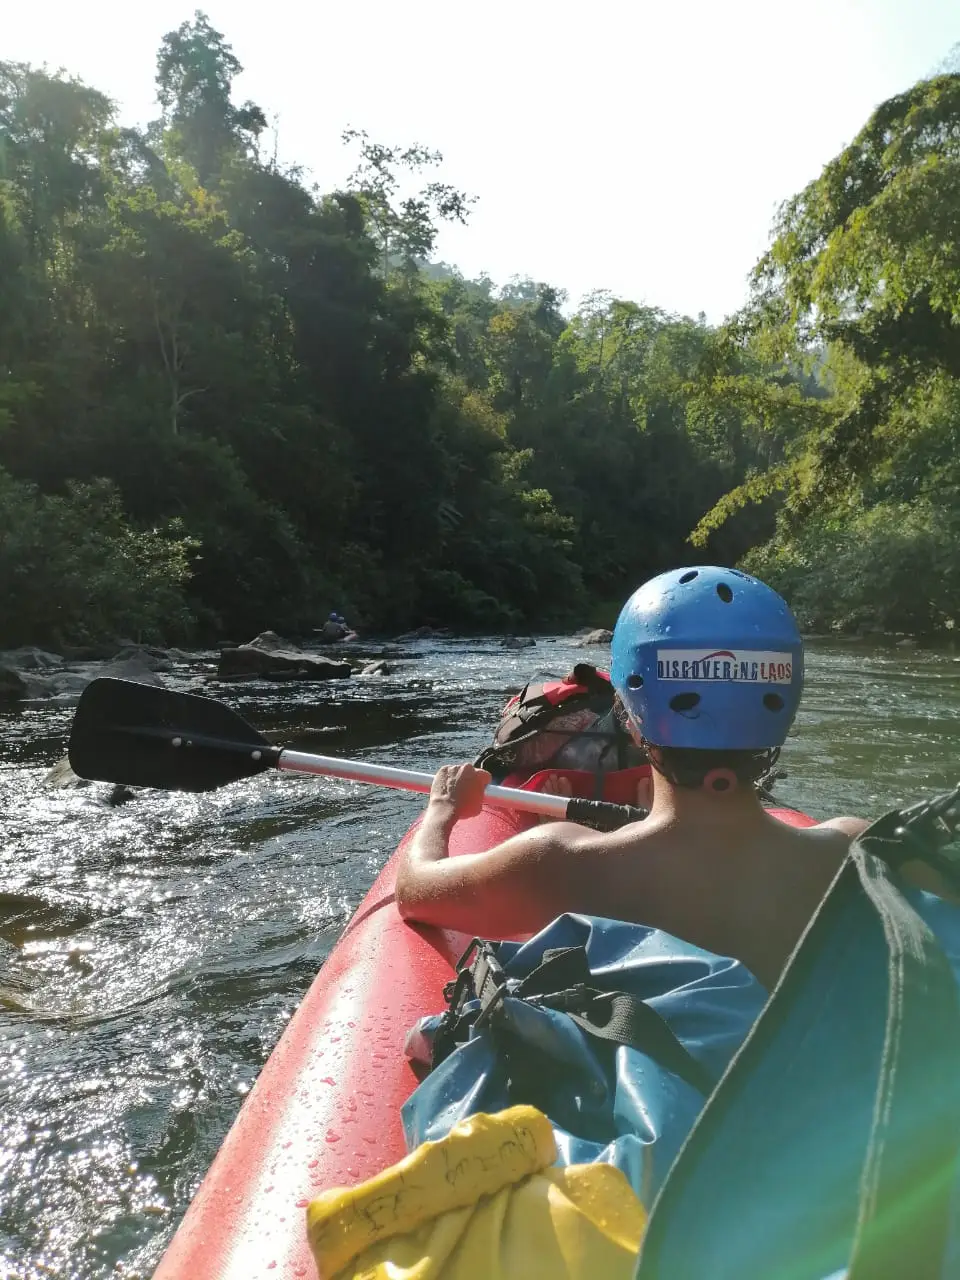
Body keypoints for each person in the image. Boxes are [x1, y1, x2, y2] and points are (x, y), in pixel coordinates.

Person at [396, 566, 871, 989]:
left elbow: (416, 890)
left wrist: (443, 809)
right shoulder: (857, 852)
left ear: (630, 717)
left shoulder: (561, 863)